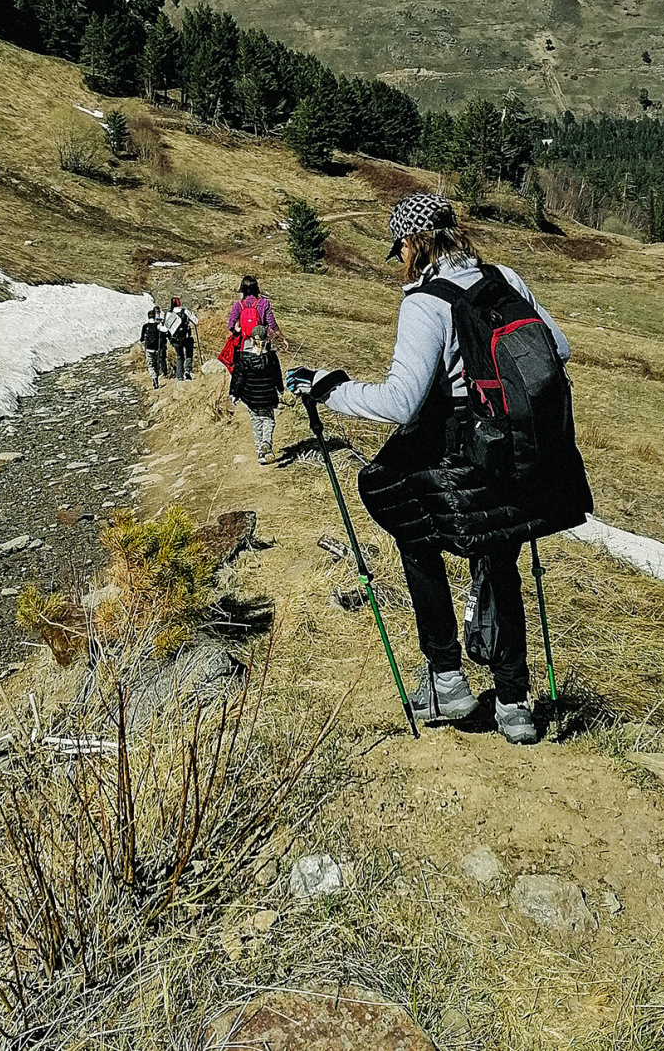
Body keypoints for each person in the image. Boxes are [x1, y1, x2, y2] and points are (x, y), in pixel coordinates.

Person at [287, 193, 590, 746]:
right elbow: (559, 349)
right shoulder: (505, 278)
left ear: (412, 243)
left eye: (399, 246)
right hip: (514, 450)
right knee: (500, 557)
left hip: (458, 450)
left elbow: (403, 401)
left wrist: (331, 388)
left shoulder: (424, 303)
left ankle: (446, 678)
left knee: (405, 519)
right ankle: (515, 703)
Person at [229, 323, 284, 464]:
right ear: (267, 340)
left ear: (251, 339)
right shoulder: (271, 357)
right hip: (268, 396)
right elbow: (277, 376)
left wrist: (234, 394)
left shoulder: (243, 359)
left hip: (251, 397)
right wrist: (281, 390)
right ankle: (267, 443)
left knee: (256, 422)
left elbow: (238, 378)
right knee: (268, 420)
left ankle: (260, 453)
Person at [227, 275, 289, 352]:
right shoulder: (264, 303)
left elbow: (230, 325)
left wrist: (239, 330)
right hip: (263, 342)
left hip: (246, 342)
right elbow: (272, 324)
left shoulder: (239, 305)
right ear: (257, 288)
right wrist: (282, 338)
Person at [164, 297, 199, 381]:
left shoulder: (169, 314)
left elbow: (166, 328)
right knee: (189, 354)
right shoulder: (185, 311)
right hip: (187, 337)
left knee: (179, 356)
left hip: (175, 339)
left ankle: (179, 376)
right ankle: (187, 370)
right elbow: (196, 322)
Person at [140, 307, 165, 387]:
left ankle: (154, 378)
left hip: (148, 348)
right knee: (157, 364)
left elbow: (141, 338)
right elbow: (164, 332)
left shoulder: (145, 326)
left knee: (150, 365)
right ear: (154, 316)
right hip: (157, 348)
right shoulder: (158, 325)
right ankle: (157, 377)